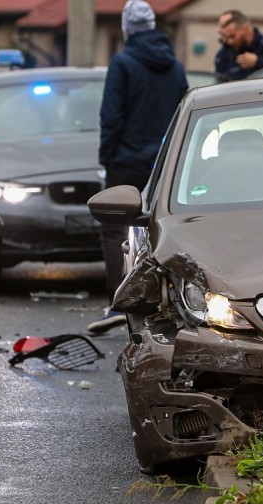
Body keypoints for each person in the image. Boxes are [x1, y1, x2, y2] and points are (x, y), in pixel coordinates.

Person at [89, 0, 188, 335]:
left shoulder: (123, 63)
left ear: (126, 28)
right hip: (166, 163)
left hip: (127, 161)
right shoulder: (174, 67)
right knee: (161, 229)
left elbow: (111, 116)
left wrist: (106, 159)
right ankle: (166, 302)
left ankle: (120, 301)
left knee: (115, 228)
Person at [214, 10, 263, 82]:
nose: (230, 42)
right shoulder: (223, 54)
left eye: (232, 36)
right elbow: (220, 82)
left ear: (246, 29)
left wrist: (258, 62)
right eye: (226, 38)